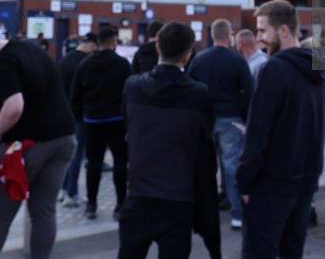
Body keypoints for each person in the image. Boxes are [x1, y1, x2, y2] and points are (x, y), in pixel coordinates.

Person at [0, 26, 77, 259]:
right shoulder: (31, 49)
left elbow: (14, 106)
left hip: (24, 148)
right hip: (62, 140)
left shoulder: (4, 63)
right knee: (44, 212)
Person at [237, 0, 325, 259]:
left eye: (263, 31)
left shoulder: (273, 69)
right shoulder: (320, 70)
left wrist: (244, 182)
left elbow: (258, 132)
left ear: (284, 30)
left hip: (272, 184)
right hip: (306, 181)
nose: (258, 38)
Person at [119, 21, 217, 259]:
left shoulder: (132, 88)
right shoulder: (198, 95)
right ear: (188, 56)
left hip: (139, 195)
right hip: (178, 198)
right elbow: (204, 144)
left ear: (157, 47)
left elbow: (127, 129)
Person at [188, 18, 253, 230]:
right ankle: (238, 214)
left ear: (212, 35)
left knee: (204, 166)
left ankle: (202, 211)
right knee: (232, 165)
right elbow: (249, 93)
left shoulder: (199, 59)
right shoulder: (238, 60)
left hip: (205, 119)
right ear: (230, 34)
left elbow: (188, 87)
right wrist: (243, 117)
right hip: (231, 119)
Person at [70, 24, 132, 220]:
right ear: (114, 42)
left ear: (97, 43)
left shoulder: (85, 65)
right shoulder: (123, 65)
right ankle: (120, 204)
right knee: (121, 163)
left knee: (93, 163)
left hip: (92, 120)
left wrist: (81, 117)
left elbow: (75, 95)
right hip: (116, 120)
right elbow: (129, 93)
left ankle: (92, 204)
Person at [59, 32, 97, 207]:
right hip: (79, 114)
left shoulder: (65, 60)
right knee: (76, 154)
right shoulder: (85, 63)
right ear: (91, 45)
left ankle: (63, 189)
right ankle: (72, 193)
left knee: (66, 154)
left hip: (63, 113)